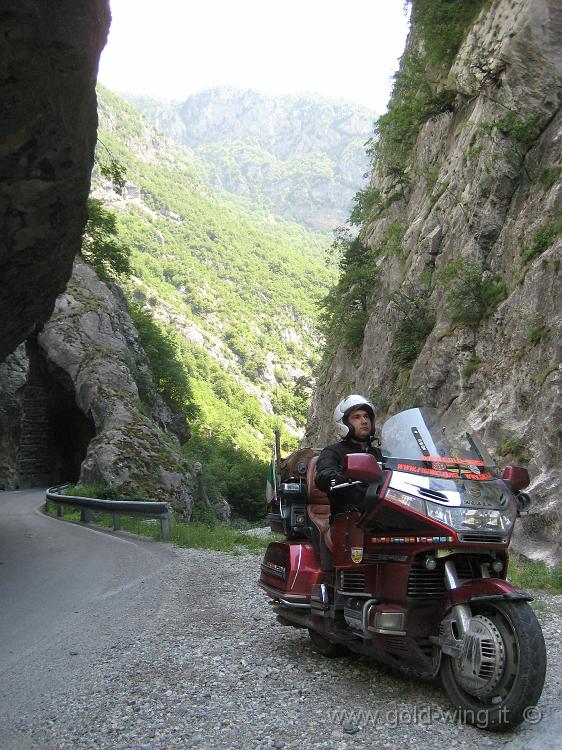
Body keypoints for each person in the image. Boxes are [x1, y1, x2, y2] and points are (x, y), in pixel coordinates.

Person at [315, 394, 381, 520]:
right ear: (344, 423)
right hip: (348, 520)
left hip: (381, 515)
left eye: (366, 416)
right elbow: (323, 476)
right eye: (357, 417)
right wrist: (343, 476)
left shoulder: (380, 454)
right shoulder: (332, 452)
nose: (364, 421)